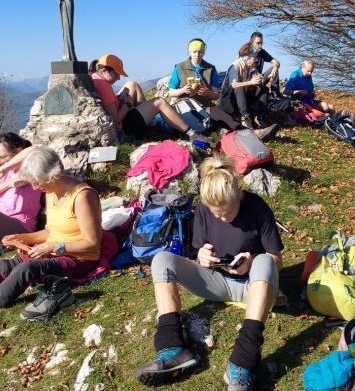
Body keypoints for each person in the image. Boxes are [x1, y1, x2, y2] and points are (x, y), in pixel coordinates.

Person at [136, 156, 283, 390]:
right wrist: (201, 257)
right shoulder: (204, 209)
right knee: (161, 260)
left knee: (265, 261)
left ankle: (243, 362)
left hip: (255, 288)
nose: (221, 217)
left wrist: (252, 261)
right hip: (219, 281)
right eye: (216, 213)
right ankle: (173, 348)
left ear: (238, 195)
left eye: (228, 212)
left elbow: (277, 260)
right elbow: (199, 252)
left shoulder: (257, 207)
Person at [0, 147, 102, 314]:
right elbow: (50, 232)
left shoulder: (82, 196)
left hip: (78, 258)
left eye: (36, 182)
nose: (33, 187)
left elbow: (92, 244)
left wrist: (52, 247)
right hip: (52, 252)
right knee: (4, 266)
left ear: (51, 175)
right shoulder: (51, 191)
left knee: (27, 269)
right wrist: (21, 237)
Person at [169, 39, 278, 140]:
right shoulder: (179, 67)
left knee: (226, 119)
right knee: (212, 123)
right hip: (185, 105)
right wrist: (183, 90)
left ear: (204, 52)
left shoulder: (210, 68)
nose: (197, 55)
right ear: (189, 52)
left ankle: (253, 134)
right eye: (194, 52)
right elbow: (171, 92)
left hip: (205, 105)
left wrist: (208, 92)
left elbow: (216, 95)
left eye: (200, 52)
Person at [90, 54, 207, 141]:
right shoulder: (104, 86)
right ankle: (191, 134)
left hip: (122, 118)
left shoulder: (96, 77)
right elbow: (114, 120)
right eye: (116, 74)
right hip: (123, 128)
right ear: (104, 70)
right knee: (159, 102)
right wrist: (128, 104)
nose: (119, 78)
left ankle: (150, 121)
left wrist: (119, 98)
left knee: (132, 84)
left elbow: (108, 104)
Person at [220, 43, 278, 131]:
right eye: (255, 57)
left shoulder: (251, 67)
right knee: (240, 87)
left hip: (243, 98)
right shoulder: (235, 66)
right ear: (247, 58)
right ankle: (245, 117)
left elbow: (259, 79)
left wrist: (269, 73)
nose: (257, 60)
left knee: (264, 89)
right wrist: (251, 82)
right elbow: (234, 85)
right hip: (229, 100)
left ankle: (260, 116)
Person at [0, 133, 42, 245]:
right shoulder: (5, 175)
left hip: (21, 225)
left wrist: (5, 167)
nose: (0, 161)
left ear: (18, 152)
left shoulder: (33, 168)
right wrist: (9, 184)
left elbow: (37, 149)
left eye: (3, 157)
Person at [250, 31, 281, 98]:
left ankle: (275, 94)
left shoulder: (262, 52)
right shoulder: (247, 53)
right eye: (258, 43)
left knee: (274, 68)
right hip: (250, 82)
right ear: (251, 43)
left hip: (261, 78)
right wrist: (260, 77)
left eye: (261, 43)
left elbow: (277, 62)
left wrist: (275, 68)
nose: (260, 46)